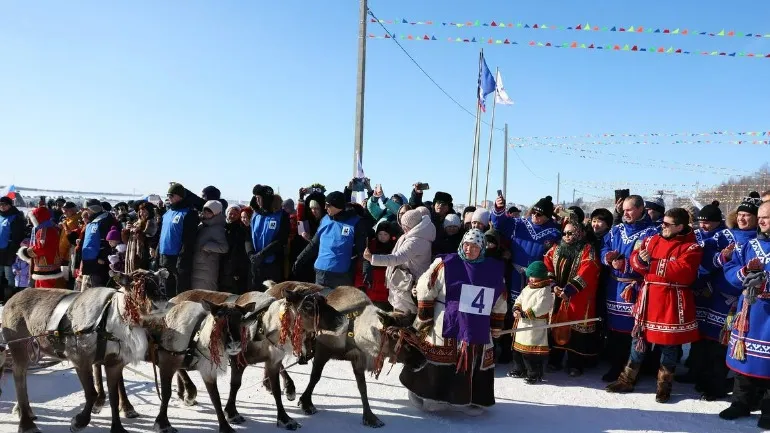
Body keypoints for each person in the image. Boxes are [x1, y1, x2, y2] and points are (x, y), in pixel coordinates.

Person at [403, 229, 506, 415]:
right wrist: (425, 315)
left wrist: (497, 323)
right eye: (466, 245)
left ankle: (472, 399)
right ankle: (426, 395)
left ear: (482, 248)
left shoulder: (493, 269)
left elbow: (500, 298)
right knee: (438, 355)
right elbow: (426, 285)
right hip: (445, 318)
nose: (469, 249)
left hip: (478, 324)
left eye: (475, 246)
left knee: (475, 360)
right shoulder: (445, 263)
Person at [606, 208, 702, 403]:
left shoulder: (692, 247)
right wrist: (640, 260)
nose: (662, 226)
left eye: (667, 224)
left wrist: (653, 264)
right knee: (638, 339)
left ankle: (664, 386)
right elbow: (635, 258)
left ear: (680, 227)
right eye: (662, 223)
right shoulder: (652, 240)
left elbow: (685, 271)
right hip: (648, 296)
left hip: (671, 300)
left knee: (669, 344)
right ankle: (627, 379)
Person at [719, 201, 770, 428]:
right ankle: (741, 402)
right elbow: (729, 270)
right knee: (744, 358)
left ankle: (768, 409)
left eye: (766, 217)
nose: (761, 221)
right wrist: (744, 273)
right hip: (749, 310)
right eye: (760, 217)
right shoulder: (748, 245)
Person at [599, 195, 658, 382]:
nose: (625, 213)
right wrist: (607, 257)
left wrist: (626, 265)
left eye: (630, 209)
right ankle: (616, 366)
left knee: (636, 331)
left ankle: (633, 368)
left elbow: (651, 260)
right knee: (615, 331)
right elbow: (604, 246)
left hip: (636, 287)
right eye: (623, 210)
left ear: (641, 209)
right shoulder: (617, 229)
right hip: (615, 286)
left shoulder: (652, 232)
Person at [544, 221, 601, 377]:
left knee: (576, 330)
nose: (567, 236)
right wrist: (553, 285)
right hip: (557, 296)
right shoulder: (556, 248)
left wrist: (569, 290)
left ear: (580, 233)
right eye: (565, 233)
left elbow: (588, 269)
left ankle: (575, 364)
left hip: (578, 297)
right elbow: (547, 265)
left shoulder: (587, 250)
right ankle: (555, 360)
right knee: (556, 326)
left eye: (570, 233)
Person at [365, 209, 436, 317]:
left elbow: (396, 258)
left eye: (404, 225)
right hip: (407, 283)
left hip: (407, 286)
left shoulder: (415, 241)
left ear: (411, 225)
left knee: (402, 318)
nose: (403, 228)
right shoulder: (419, 237)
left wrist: (372, 258)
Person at [294, 191, 367, 289]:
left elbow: (362, 250)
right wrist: (299, 259)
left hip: (341, 274)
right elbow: (314, 244)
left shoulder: (356, 222)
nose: (325, 207)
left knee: (339, 304)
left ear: (337, 206)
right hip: (321, 272)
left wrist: (366, 270)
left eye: (328, 205)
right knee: (319, 303)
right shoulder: (325, 220)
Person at [510, 261, 554, 384]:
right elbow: (520, 298)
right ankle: (519, 369)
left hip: (535, 326)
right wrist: (516, 308)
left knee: (530, 353)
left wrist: (526, 314)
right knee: (517, 350)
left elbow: (542, 307)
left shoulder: (545, 290)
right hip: (522, 325)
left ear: (542, 276)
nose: (531, 279)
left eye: (534, 276)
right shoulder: (528, 287)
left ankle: (533, 373)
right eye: (530, 276)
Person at [158, 183, 200, 295]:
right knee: (167, 288)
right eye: (168, 195)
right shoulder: (167, 213)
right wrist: (158, 252)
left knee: (180, 290)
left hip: (178, 258)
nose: (169, 197)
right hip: (165, 256)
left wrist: (182, 260)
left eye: (171, 195)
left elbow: (189, 240)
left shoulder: (189, 213)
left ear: (180, 196)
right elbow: (162, 234)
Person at [248, 185, 289, 289]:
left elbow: (281, 239)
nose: (257, 201)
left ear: (266, 199)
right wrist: (251, 254)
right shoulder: (256, 214)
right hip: (256, 264)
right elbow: (248, 236)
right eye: (256, 198)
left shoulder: (281, 215)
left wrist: (262, 255)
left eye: (259, 198)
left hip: (272, 264)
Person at [17, 207, 65, 288]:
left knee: (44, 291)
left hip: (45, 267)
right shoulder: (51, 228)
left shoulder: (44, 230)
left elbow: (41, 248)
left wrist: (26, 252)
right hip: (50, 264)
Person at [191, 200, 228, 291]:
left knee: (206, 294)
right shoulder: (202, 225)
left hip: (207, 267)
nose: (206, 214)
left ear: (216, 213)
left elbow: (224, 247)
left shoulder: (218, 228)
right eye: (205, 211)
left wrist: (207, 246)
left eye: (209, 212)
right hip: (197, 264)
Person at [0, 196, 25, 297]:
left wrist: (13, 248)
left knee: (9, 275)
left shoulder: (16, 217)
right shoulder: (0, 215)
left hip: (9, 251)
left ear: (10, 205)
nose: (2, 206)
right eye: (0, 204)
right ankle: (1, 296)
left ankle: (10, 297)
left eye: (4, 204)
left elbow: (18, 235)